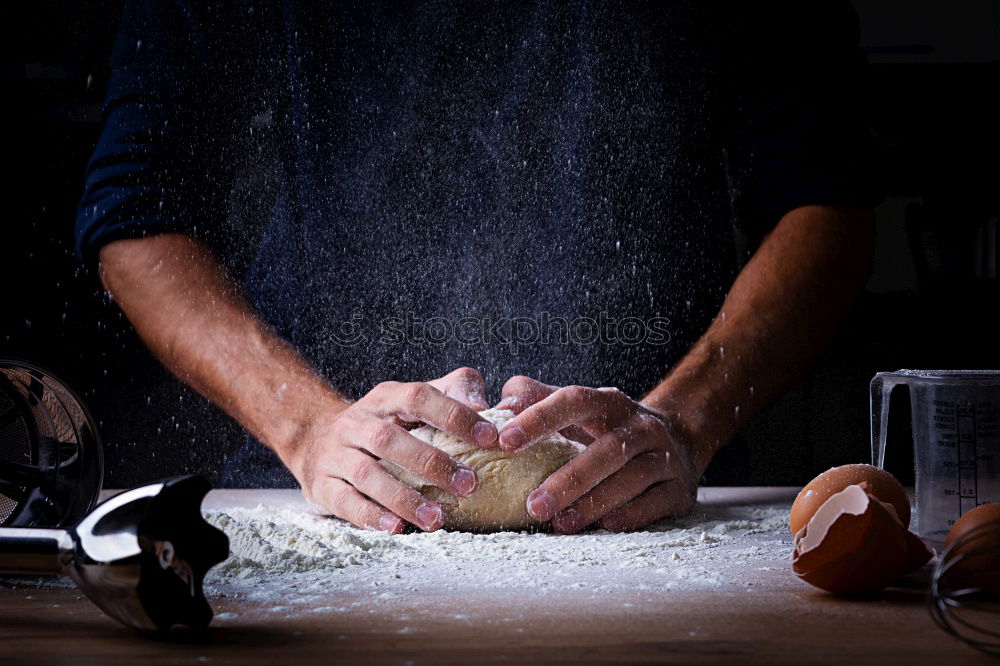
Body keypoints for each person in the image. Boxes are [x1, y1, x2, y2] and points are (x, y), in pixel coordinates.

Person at [76, 1, 877, 535]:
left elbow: (827, 201)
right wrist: (309, 426)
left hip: (647, 498)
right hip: (327, 502)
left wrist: (686, 422)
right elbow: (136, 215)